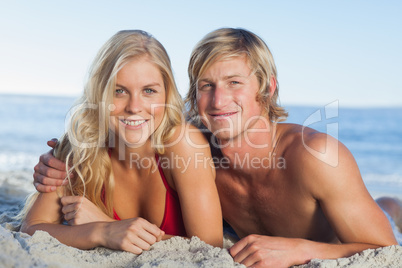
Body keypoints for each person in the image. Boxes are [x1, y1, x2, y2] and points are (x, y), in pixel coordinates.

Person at [33, 28, 399, 267]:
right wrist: (56, 161)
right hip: (251, 242)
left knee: (388, 211)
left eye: (235, 82)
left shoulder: (316, 156)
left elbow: (386, 251)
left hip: (336, 240)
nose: (219, 99)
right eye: (206, 86)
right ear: (192, 95)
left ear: (268, 87)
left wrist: (303, 249)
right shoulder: (192, 145)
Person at [20, 30, 223, 254]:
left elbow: (210, 249)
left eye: (149, 91)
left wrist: (109, 224)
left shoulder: (182, 144)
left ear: (166, 94)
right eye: (119, 91)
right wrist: (102, 232)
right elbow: (31, 229)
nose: (134, 107)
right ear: (100, 93)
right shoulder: (81, 146)